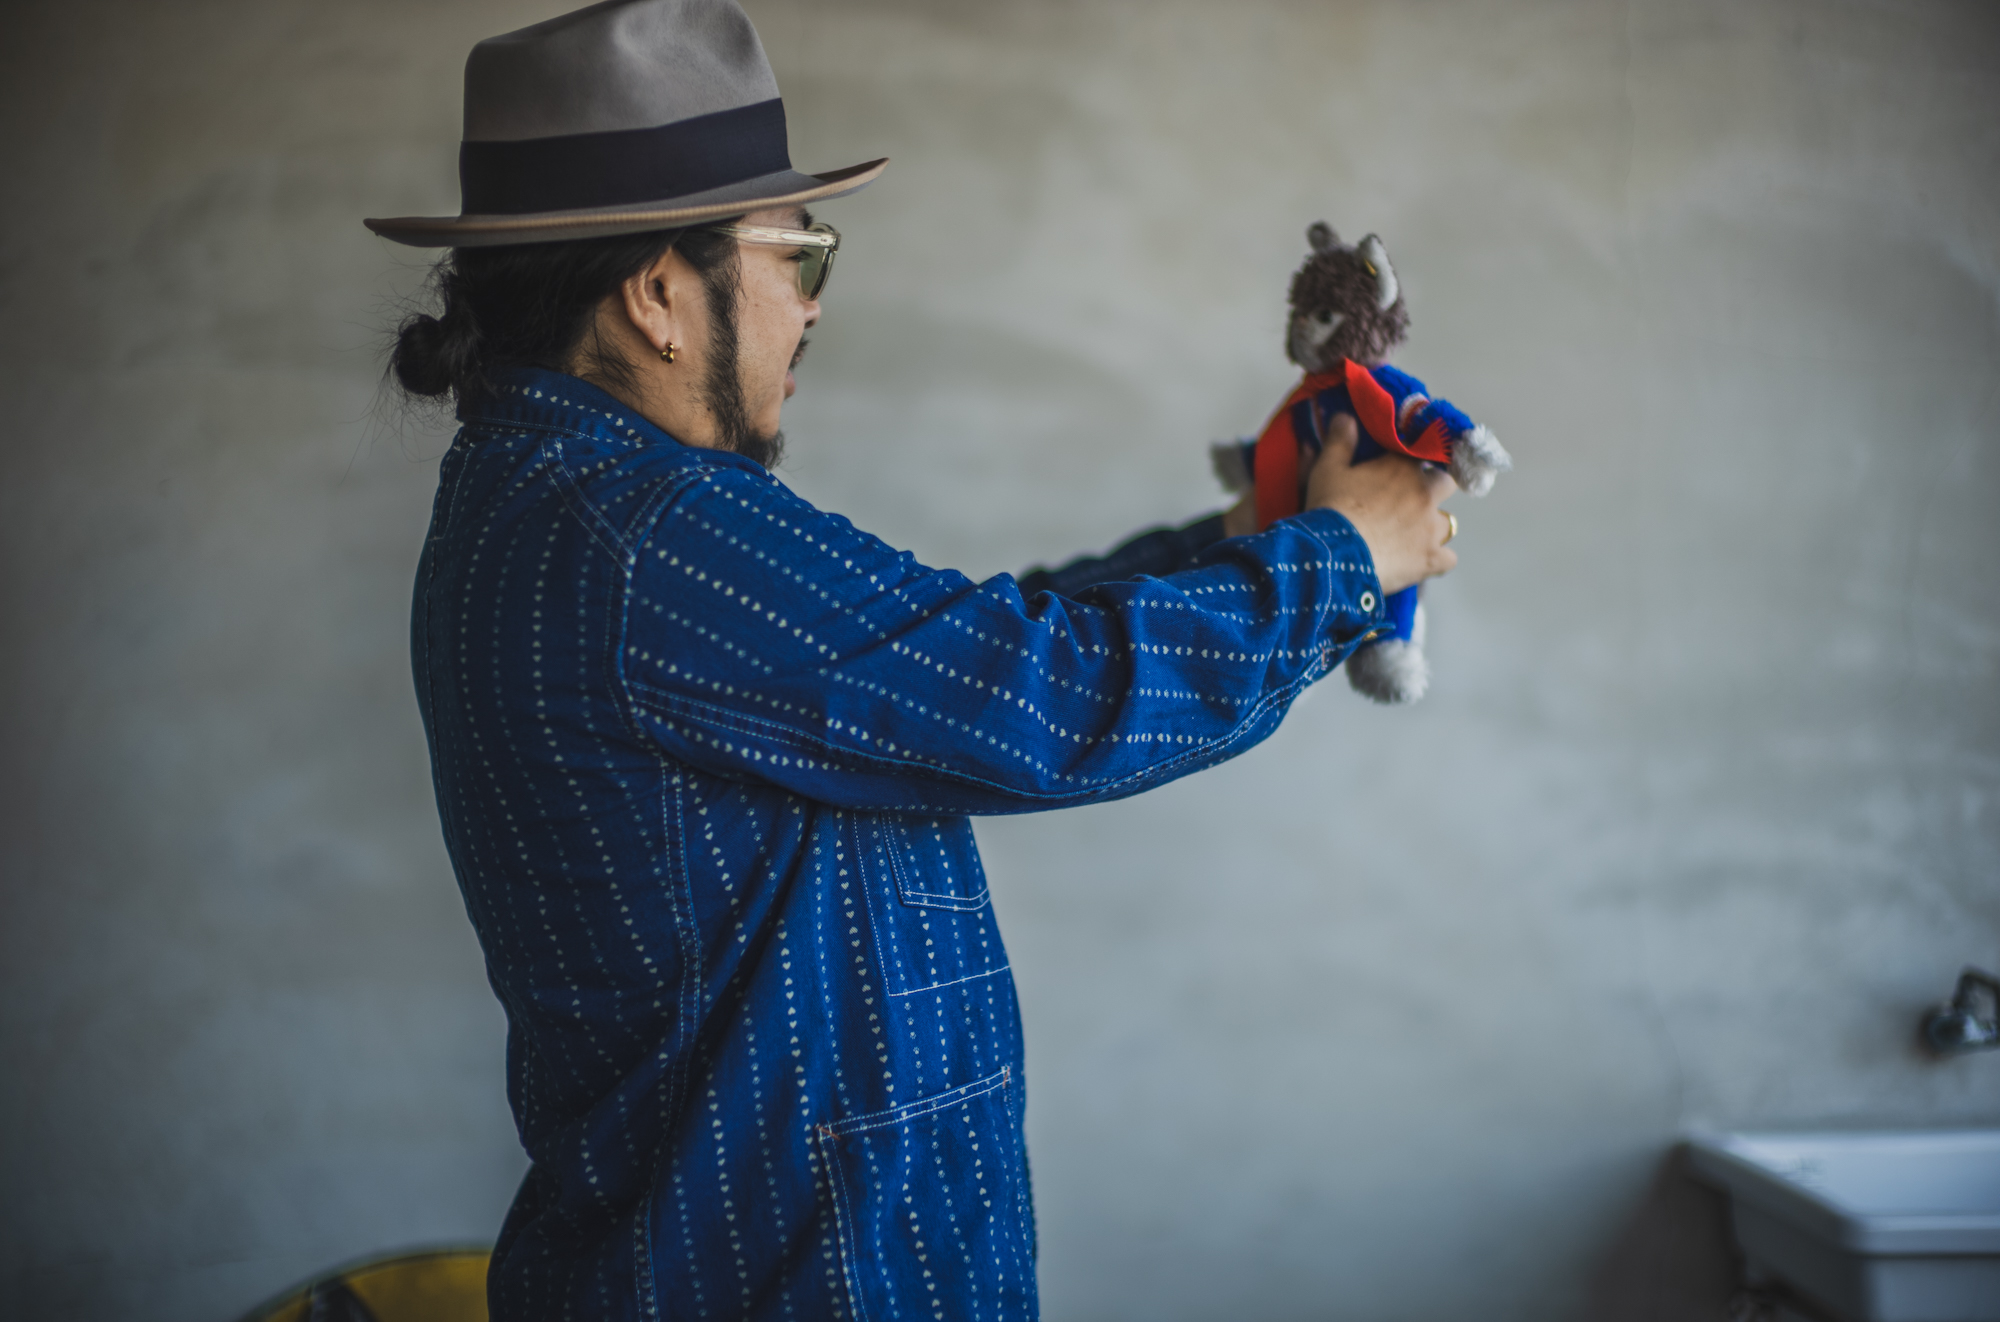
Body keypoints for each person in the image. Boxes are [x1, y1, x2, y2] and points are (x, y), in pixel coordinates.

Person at [368, 1, 1459, 1317]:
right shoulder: (646, 533)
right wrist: (1345, 558)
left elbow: (943, 663)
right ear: (657, 293)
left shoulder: (536, 510)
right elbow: (1039, 692)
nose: (813, 304)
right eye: (798, 255)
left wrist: (1240, 541)